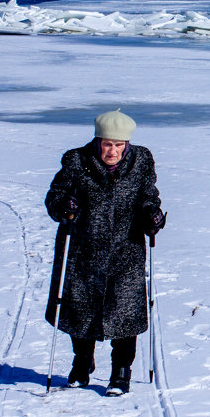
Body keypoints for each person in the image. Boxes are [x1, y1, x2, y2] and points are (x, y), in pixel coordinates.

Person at [45, 109, 164, 395]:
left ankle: (121, 372)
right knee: (80, 309)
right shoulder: (76, 160)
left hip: (127, 249)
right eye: (108, 144)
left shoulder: (142, 160)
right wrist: (64, 205)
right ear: (97, 140)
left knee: (125, 312)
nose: (112, 151)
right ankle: (82, 364)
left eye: (119, 145)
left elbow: (149, 195)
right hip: (83, 249)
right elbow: (54, 196)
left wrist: (152, 215)